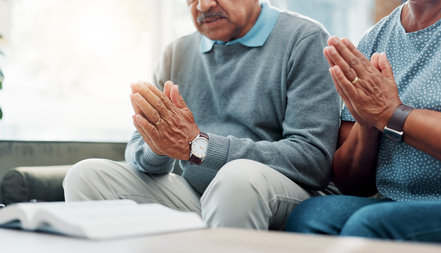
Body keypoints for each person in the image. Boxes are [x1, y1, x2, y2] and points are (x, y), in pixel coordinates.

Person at [63, 0, 341, 230]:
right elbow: (140, 152)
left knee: (237, 179)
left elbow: (312, 160)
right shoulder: (177, 52)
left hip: (284, 194)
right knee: (85, 176)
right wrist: (162, 146)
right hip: (201, 195)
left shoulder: (304, 38)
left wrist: (199, 146)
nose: (204, 5)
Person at [285, 0, 441, 243]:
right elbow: (351, 184)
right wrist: (367, 124)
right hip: (393, 201)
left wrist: (391, 114)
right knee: (312, 215)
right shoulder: (376, 38)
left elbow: (387, 111)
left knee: (370, 225)